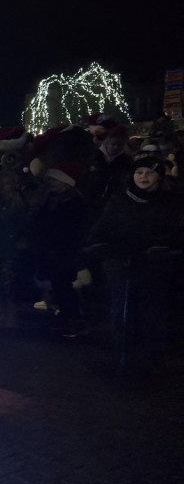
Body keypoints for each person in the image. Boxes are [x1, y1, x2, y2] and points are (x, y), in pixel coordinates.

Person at [86, 154, 183, 374]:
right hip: (120, 264)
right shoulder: (119, 199)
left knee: (153, 311)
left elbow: (175, 232)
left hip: (154, 266)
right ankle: (122, 352)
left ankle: (153, 355)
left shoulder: (169, 202)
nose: (144, 176)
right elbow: (102, 228)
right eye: (139, 172)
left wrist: (163, 248)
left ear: (158, 177)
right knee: (121, 309)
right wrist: (102, 246)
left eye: (149, 172)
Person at [30, 162, 90, 337]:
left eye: (55, 180)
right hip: (51, 249)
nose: (52, 183)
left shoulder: (74, 202)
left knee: (65, 286)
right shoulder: (50, 198)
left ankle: (74, 320)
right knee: (58, 285)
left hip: (65, 250)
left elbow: (74, 228)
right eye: (51, 180)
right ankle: (65, 317)